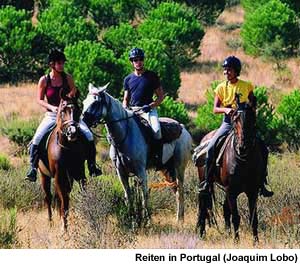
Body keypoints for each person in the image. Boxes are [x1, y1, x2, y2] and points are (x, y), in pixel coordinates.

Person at [200, 55, 273, 197]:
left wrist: (250, 118)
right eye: (225, 70)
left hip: (245, 123)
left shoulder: (246, 86)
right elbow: (215, 109)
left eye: (229, 70)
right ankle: (207, 182)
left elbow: (253, 105)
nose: (226, 72)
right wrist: (226, 109)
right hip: (228, 123)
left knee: (263, 148)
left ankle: (262, 182)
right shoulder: (220, 88)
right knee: (210, 148)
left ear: (236, 71)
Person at [25, 49, 102, 182]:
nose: (62, 65)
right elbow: (39, 99)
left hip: (68, 115)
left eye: (62, 63)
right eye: (59, 63)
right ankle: (33, 168)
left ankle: (92, 166)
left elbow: (74, 91)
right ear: (52, 64)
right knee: (37, 138)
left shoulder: (68, 78)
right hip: (51, 115)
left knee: (88, 135)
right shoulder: (44, 80)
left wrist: (70, 98)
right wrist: (52, 107)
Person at [122, 47, 165, 166]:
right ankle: (120, 159)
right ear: (131, 62)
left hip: (149, 110)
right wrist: (125, 108)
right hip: (133, 111)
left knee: (156, 130)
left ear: (143, 60)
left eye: (140, 59)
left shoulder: (152, 76)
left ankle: (158, 158)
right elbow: (125, 99)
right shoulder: (128, 79)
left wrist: (151, 106)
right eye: (135, 60)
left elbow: (161, 97)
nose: (138, 62)